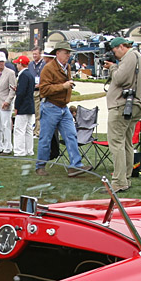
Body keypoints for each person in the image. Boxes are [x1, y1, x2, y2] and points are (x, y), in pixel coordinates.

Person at [34, 40, 88, 178]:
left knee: (71, 135)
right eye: (66, 52)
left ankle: (75, 165)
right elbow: (44, 90)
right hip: (50, 107)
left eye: (69, 52)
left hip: (63, 108)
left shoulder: (67, 67)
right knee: (45, 139)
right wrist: (63, 86)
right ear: (57, 53)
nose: (68, 55)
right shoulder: (48, 68)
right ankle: (40, 166)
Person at [103, 37, 141, 192]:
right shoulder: (137, 57)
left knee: (116, 143)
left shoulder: (129, 57)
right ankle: (125, 178)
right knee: (127, 142)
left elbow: (121, 79)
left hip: (121, 106)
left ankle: (119, 181)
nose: (115, 55)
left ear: (121, 47)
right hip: (132, 105)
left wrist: (113, 68)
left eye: (115, 51)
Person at [0, 52, 16, 155]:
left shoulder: (10, 73)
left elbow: (13, 89)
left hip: (4, 103)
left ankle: (7, 148)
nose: (0, 63)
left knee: (6, 126)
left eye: (2, 61)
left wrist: (8, 101)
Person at [12, 55, 35, 156]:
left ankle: (19, 151)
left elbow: (21, 93)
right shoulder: (30, 75)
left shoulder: (23, 75)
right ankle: (29, 150)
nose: (16, 65)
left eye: (17, 63)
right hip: (30, 105)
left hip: (23, 106)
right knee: (28, 130)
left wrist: (16, 107)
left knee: (19, 129)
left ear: (21, 64)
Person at [29, 46, 46, 134]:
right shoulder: (30, 64)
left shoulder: (44, 64)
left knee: (39, 112)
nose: (34, 56)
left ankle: (38, 131)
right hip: (32, 90)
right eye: (33, 54)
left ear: (40, 54)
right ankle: (35, 128)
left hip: (40, 90)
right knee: (34, 112)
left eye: (36, 54)